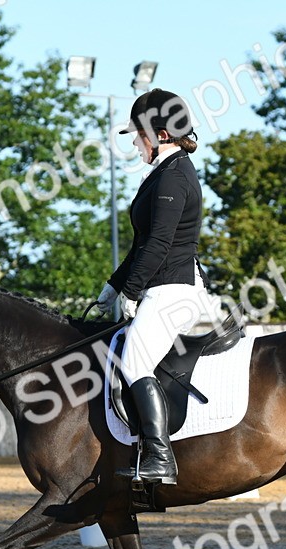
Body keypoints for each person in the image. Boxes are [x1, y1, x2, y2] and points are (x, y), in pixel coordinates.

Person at [94, 88, 211, 485]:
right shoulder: (164, 173)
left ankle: (161, 458)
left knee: (135, 362)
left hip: (173, 288)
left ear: (160, 134)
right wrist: (114, 287)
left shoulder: (174, 177)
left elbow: (159, 245)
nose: (135, 143)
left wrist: (132, 291)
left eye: (138, 135)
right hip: (162, 285)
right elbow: (142, 243)